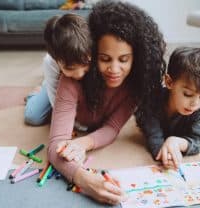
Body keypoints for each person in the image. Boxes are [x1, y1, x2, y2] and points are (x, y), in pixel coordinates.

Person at [48, 0, 166, 205]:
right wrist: (85, 180)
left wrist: (82, 143)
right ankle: (40, 91)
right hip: (63, 94)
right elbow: (56, 144)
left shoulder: (135, 85)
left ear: (136, 59)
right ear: (92, 55)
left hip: (87, 118)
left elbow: (112, 128)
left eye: (123, 59)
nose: (114, 69)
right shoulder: (73, 77)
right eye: (104, 58)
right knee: (37, 110)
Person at [135, 47, 200, 169]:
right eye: (188, 94)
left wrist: (176, 142)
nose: (195, 103)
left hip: (176, 134)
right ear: (169, 82)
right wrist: (165, 155)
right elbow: (154, 138)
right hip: (146, 115)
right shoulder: (152, 100)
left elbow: (198, 140)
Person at [24, 13, 91, 126]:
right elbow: (57, 104)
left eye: (85, 64)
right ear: (56, 60)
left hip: (84, 87)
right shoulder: (50, 62)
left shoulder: (91, 50)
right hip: (55, 84)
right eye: (70, 68)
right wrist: (72, 123)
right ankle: (35, 94)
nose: (79, 74)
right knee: (33, 117)